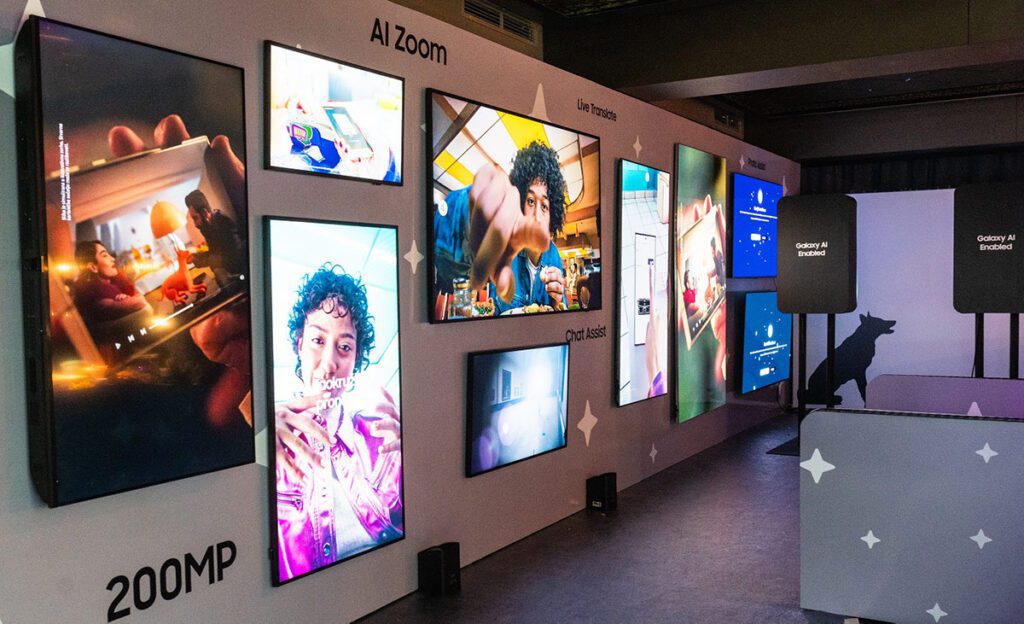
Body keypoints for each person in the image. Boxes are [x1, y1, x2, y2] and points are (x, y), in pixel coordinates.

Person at [274, 264, 402, 580]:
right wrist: (255, 437)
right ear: (299, 344)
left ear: (356, 360)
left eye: (344, 347)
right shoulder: (271, 439)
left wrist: (417, 456)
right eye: (317, 340)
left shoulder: (381, 435)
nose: (330, 363)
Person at [433, 141, 568, 314]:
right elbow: (454, 279)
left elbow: (563, 313)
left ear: (553, 215)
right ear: (520, 201)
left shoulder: (554, 256)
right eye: (530, 201)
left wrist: (558, 299)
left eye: (544, 206)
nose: (536, 216)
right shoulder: (503, 246)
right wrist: (466, 218)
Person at [72, 240, 150, 327]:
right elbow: (140, 302)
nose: (112, 259)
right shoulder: (95, 297)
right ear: (93, 267)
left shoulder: (111, 285)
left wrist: (125, 298)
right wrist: (130, 299)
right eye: (105, 255)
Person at [184, 188, 246, 275]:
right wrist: (194, 257)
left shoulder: (224, 223)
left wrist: (199, 260)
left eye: (195, 218)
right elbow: (214, 253)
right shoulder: (207, 227)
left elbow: (233, 258)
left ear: (205, 213)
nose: (195, 224)